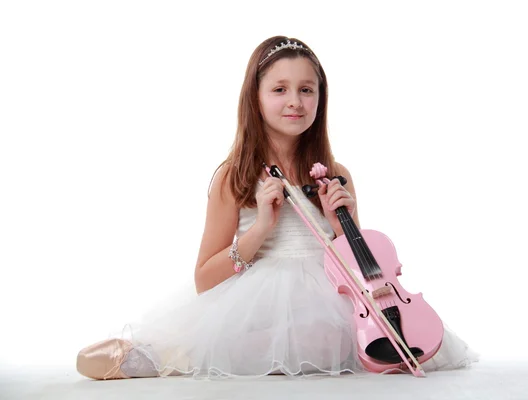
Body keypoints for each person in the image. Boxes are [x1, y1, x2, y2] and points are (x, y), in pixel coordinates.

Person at [76, 35, 479, 380]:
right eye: (279, 89)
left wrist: (342, 224)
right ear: (256, 97)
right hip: (259, 298)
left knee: (338, 333)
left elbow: (363, 272)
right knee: (288, 336)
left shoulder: (335, 174)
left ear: (321, 98)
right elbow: (204, 281)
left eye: (307, 90)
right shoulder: (234, 177)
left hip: (332, 299)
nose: (295, 102)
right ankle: (172, 355)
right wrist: (261, 229)